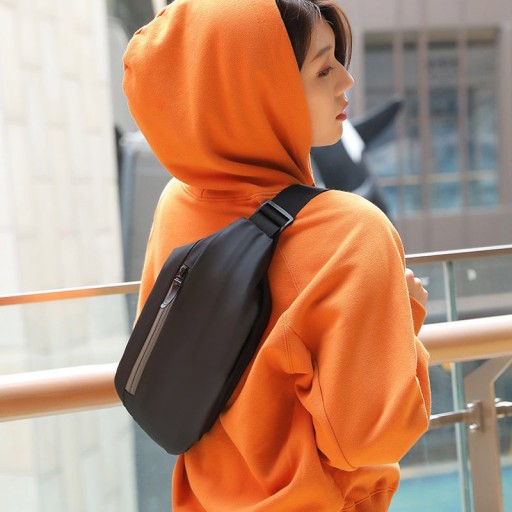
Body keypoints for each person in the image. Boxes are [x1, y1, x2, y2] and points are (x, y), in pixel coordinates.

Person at [122, 0, 431, 510]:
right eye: (324, 69)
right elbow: (370, 438)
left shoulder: (178, 202)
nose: (347, 82)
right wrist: (404, 316)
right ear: (259, 90)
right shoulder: (351, 232)